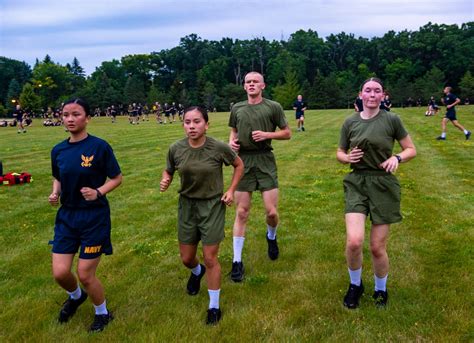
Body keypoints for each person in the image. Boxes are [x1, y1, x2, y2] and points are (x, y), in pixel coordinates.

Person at [336, 78, 416, 309]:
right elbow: (340, 152)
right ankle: (355, 285)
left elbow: (411, 149)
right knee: (354, 241)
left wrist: (397, 157)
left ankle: (381, 289)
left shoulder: (392, 120)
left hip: (383, 184)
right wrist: (346, 158)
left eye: (377, 91)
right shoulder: (350, 122)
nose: (372, 94)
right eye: (368, 90)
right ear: (360, 94)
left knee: (377, 247)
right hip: (356, 182)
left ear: (383, 95)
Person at [160, 106, 244, 325]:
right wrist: (166, 178)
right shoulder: (175, 148)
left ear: (207, 124)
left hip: (212, 205)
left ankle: (213, 307)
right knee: (187, 258)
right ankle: (197, 272)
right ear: (183, 125)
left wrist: (231, 190)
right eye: (187, 122)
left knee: (210, 258)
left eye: (197, 122)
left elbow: (238, 165)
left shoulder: (218, 147)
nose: (192, 126)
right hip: (187, 206)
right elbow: (169, 169)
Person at [48, 98, 122, 332]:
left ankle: (103, 313)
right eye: (66, 114)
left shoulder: (99, 147)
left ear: (87, 118)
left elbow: (117, 178)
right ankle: (76, 296)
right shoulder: (58, 150)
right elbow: (58, 175)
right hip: (67, 217)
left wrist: (98, 191)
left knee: (85, 274)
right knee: (60, 273)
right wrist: (55, 192)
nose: (70, 119)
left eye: (76, 114)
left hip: (94, 217)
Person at [228, 71, 291, 282]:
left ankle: (271, 236)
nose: (251, 84)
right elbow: (233, 133)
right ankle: (237, 262)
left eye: (255, 81)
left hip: (265, 160)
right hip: (243, 162)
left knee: (271, 212)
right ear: (244, 86)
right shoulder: (237, 108)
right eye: (248, 82)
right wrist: (232, 144)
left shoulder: (273, 107)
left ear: (263, 85)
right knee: (242, 212)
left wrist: (267, 135)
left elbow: (287, 133)